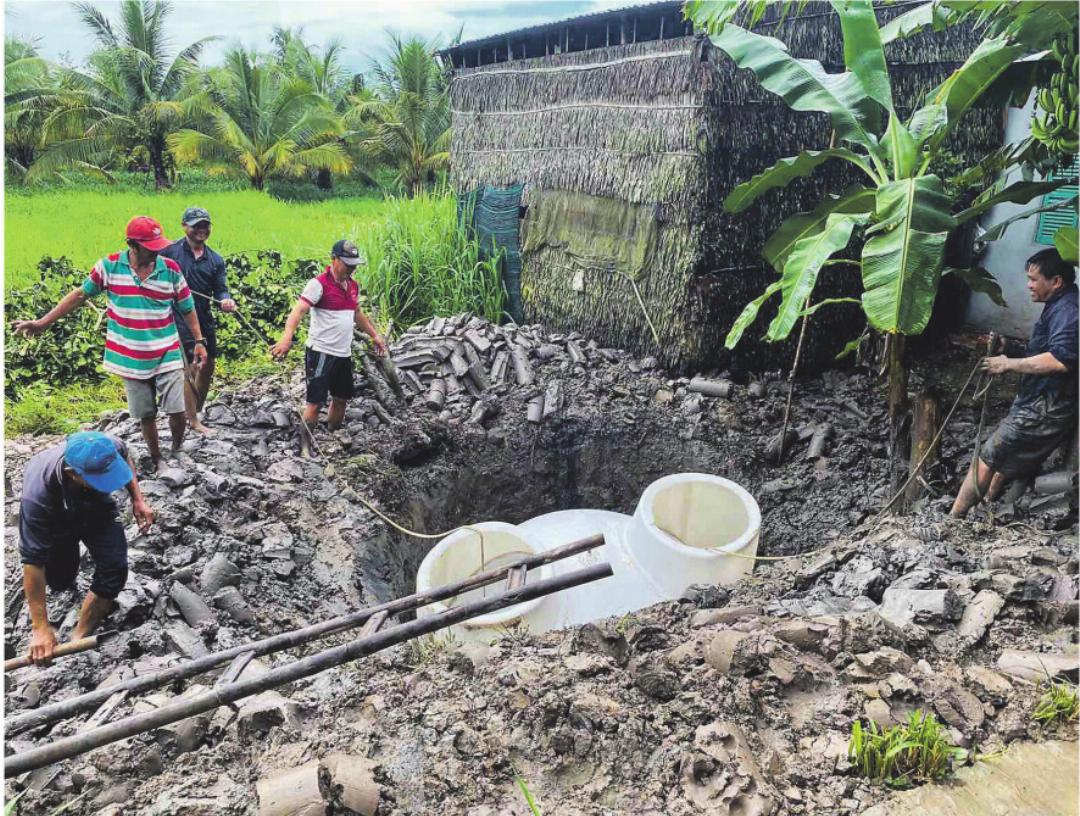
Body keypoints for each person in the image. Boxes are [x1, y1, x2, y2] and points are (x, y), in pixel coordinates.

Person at [14, 216, 209, 472]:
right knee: (146, 413)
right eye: (150, 247)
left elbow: (187, 307)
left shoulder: (170, 269)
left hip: (167, 350)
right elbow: (80, 295)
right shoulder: (109, 266)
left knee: (177, 409)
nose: (155, 252)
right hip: (130, 357)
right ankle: (157, 458)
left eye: (158, 246)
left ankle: (177, 448)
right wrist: (42, 323)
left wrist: (199, 340)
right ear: (132, 244)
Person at [951, 248, 1078, 517]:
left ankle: (953, 518)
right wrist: (1008, 348)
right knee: (1001, 457)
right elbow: (1042, 351)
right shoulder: (1060, 305)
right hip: (1039, 399)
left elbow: (1060, 360)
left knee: (987, 456)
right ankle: (989, 504)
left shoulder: (1068, 311)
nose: (1028, 285)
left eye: (1033, 279)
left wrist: (1007, 364)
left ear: (1056, 281)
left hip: (1047, 406)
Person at [19, 432, 154, 665]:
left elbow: (125, 457)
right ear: (72, 473)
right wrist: (40, 627)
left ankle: (79, 636)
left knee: (115, 569)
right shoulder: (37, 498)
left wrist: (137, 499)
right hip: (57, 517)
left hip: (96, 507)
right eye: (101, 478)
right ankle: (67, 569)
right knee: (59, 581)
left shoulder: (108, 447)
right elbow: (33, 562)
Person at [271, 240, 388, 454]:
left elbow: (357, 313)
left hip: (343, 354)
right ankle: (305, 448)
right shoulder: (318, 284)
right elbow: (298, 311)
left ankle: (333, 436)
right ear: (333, 259)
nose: (351, 269)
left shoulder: (352, 286)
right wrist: (286, 338)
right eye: (347, 264)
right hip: (321, 352)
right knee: (315, 403)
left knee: (341, 399)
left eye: (354, 265)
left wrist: (375, 336)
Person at [160, 206, 235, 436]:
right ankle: (192, 421)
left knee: (208, 365)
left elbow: (220, 289)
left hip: (203, 317)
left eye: (205, 226)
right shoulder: (169, 252)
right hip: (177, 318)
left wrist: (225, 300)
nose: (201, 230)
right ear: (184, 226)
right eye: (196, 226)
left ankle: (195, 409)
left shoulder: (215, 259)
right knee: (190, 368)